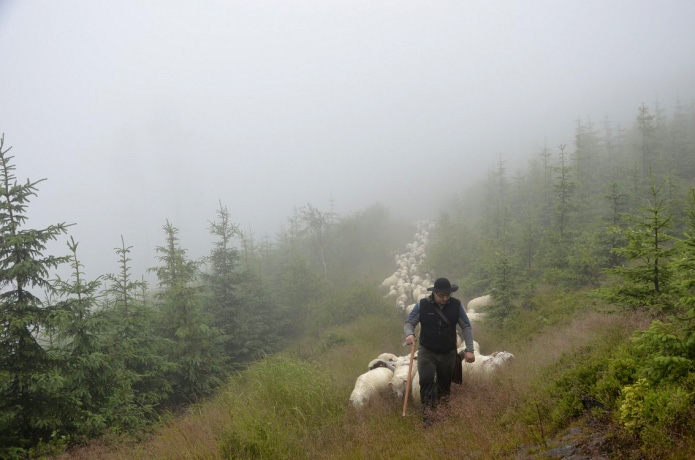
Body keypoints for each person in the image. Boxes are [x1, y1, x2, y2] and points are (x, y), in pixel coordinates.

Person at [404, 277, 475, 425]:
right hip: (427, 351)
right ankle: (428, 419)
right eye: (441, 295)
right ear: (434, 293)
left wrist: (470, 349)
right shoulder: (423, 305)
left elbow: (466, 326)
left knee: (444, 385)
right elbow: (410, 322)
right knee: (426, 383)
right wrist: (409, 333)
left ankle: (442, 416)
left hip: (448, 353)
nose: (445, 298)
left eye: (448, 295)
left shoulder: (456, 305)